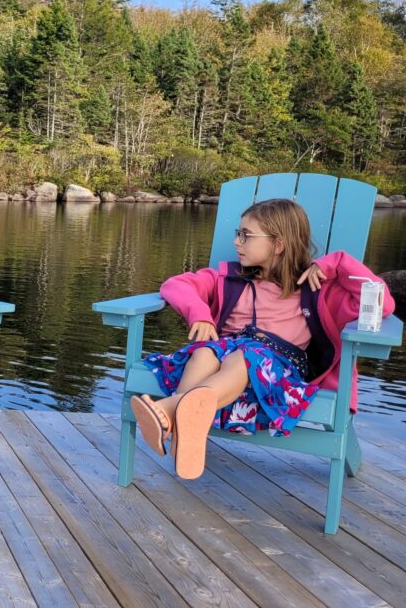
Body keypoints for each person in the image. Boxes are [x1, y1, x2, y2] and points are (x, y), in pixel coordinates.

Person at [131, 199, 395, 479]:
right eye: (237, 233)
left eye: (246, 235)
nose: (236, 242)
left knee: (245, 356)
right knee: (205, 352)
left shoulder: (318, 289)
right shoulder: (230, 279)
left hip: (275, 373)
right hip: (223, 367)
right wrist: (199, 314)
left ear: (278, 244)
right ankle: (186, 424)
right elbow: (175, 285)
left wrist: (336, 261)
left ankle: (170, 410)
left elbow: (383, 302)